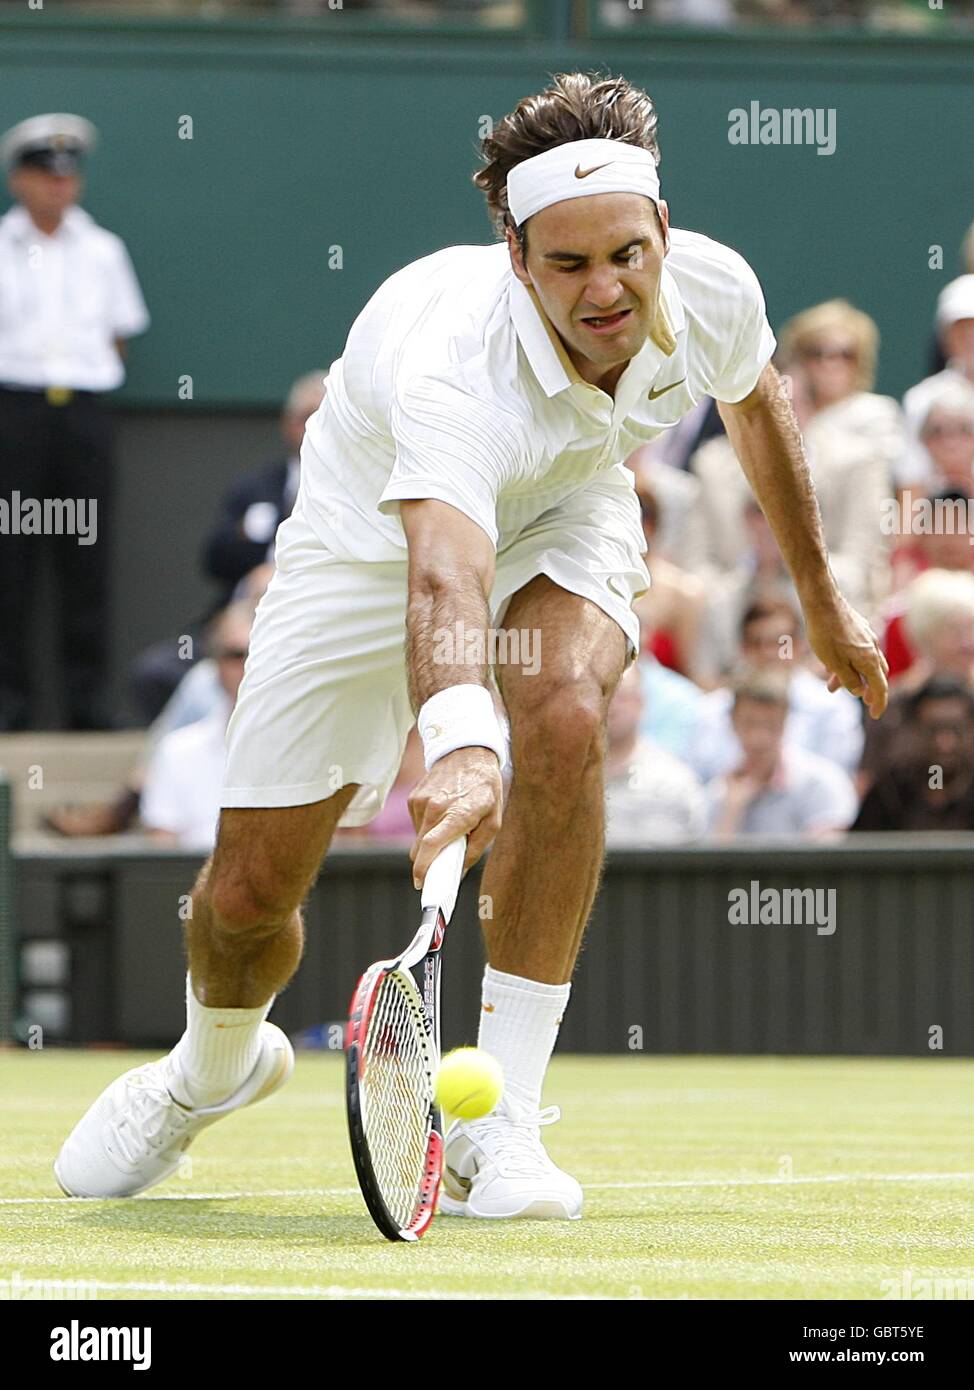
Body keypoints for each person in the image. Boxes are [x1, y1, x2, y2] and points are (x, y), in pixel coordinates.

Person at [55, 71, 887, 1221]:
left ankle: (504, 1122)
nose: (607, 290)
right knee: (244, 899)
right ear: (513, 255)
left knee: (559, 712)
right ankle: (208, 1072)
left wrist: (823, 598)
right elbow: (442, 574)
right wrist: (455, 743)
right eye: (567, 264)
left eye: (626, 255)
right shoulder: (457, 367)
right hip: (365, 545)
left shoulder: (711, 288)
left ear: (661, 230)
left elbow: (756, 411)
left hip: (564, 503)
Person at [0, 113, 149, 730]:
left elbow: (119, 336)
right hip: (14, 412)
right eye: (43, 174)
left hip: (83, 414)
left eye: (66, 175)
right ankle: (10, 703)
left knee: (85, 552)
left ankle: (87, 703)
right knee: (11, 557)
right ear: (19, 180)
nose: (57, 186)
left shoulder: (103, 250)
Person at [689, 596, 864, 781]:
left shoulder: (833, 707)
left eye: (781, 644)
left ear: (799, 646)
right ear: (743, 650)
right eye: (757, 643)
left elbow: (839, 783)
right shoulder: (711, 710)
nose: (769, 653)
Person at [140, 602, 254, 852]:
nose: (248, 665)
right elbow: (161, 847)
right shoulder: (176, 750)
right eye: (236, 655)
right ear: (215, 665)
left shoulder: (313, 748)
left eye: (259, 652)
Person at [706, 670, 859, 839]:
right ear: (732, 722)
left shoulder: (822, 783)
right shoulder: (717, 793)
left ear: (785, 721)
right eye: (749, 723)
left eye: (769, 724)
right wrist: (732, 809)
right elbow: (712, 863)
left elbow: (827, 860)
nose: (759, 737)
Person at [853, 677, 974, 831]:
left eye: (956, 730)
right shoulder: (891, 791)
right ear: (914, 729)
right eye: (932, 730)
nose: (944, 744)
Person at [604, 664, 707, 845]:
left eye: (622, 697)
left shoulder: (674, 778)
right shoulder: (570, 778)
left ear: (641, 703)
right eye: (604, 695)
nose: (613, 706)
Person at [902, 275, 974, 487]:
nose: (970, 336)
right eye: (961, 328)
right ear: (945, 336)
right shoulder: (920, 399)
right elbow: (910, 485)